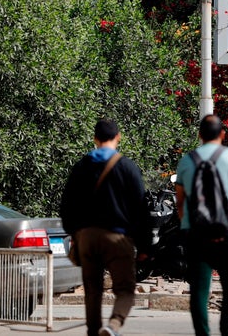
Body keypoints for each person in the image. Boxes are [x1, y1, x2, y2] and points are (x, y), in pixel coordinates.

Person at [60, 118, 152, 336]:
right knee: (125, 289)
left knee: (93, 290)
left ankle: (93, 332)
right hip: (118, 238)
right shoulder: (127, 167)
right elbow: (141, 208)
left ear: (95, 139)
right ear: (118, 137)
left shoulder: (81, 166)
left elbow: (66, 205)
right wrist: (145, 246)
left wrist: (75, 233)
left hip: (87, 238)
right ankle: (113, 325)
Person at [175, 114, 228, 336]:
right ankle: (226, 333)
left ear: (199, 135)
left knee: (199, 289)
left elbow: (180, 202)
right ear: (222, 134)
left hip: (196, 233)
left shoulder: (186, 161)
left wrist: (189, 225)